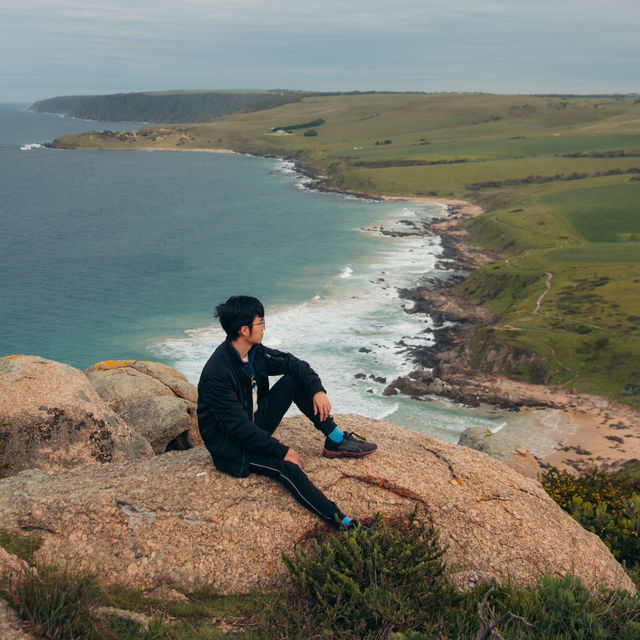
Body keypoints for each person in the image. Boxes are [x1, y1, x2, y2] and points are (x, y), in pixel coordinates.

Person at [197, 295, 377, 530]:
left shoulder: (255, 352)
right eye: (260, 323)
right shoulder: (217, 373)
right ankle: (342, 522)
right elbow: (237, 429)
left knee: (293, 381)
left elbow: (295, 364)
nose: (264, 328)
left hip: (253, 424)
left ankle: (335, 439)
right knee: (287, 468)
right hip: (232, 447)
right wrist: (281, 450)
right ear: (244, 330)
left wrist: (317, 390)